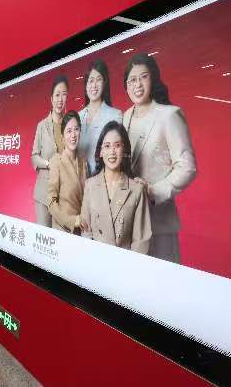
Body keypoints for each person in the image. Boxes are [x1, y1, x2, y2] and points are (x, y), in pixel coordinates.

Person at [122, 54, 197, 263]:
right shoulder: (124, 117)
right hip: (129, 223)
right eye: (132, 80)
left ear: (153, 79)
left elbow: (187, 167)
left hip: (159, 223)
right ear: (126, 86)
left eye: (143, 77)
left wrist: (153, 192)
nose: (137, 84)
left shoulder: (169, 115)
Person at [80, 121, 152, 253]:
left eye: (117, 145)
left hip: (125, 263)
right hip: (94, 260)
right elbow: (86, 232)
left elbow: (141, 242)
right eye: (107, 146)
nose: (112, 152)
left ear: (124, 150)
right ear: (101, 152)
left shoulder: (137, 190)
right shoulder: (90, 185)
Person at [31, 75, 69, 227]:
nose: (60, 99)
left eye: (64, 94)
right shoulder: (42, 126)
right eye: (57, 95)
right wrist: (48, 164)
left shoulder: (70, 125)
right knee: (44, 236)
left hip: (64, 193)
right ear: (51, 99)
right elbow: (34, 157)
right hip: (43, 193)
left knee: (61, 237)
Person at [78, 59, 122, 176]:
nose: (94, 85)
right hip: (79, 182)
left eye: (98, 80)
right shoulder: (77, 117)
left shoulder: (115, 115)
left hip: (103, 181)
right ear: (86, 85)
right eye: (91, 81)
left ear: (104, 83)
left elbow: (120, 155)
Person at [47, 111, 87, 233]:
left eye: (76, 129)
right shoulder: (56, 162)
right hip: (63, 230)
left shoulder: (83, 162)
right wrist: (71, 221)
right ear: (62, 136)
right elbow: (51, 202)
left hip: (82, 230)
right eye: (69, 131)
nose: (73, 135)